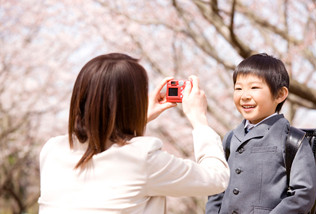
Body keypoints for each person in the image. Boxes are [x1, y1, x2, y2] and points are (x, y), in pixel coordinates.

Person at [38, 53, 230, 214]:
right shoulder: (142, 157)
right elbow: (217, 179)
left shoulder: (52, 150)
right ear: (132, 103)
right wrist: (199, 120)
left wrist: (134, 119)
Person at [205, 53, 316, 214]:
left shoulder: (292, 140)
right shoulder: (230, 139)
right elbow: (218, 187)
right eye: (238, 88)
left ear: (280, 94)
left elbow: (303, 194)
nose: (244, 96)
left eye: (254, 87)